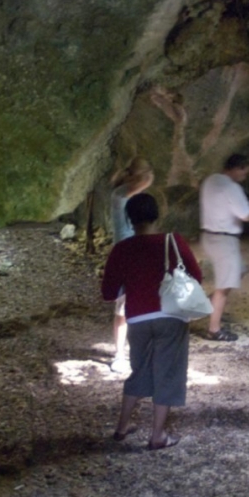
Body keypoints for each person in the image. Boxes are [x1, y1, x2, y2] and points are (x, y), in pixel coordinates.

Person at [101, 193, 202, 450]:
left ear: (129, 219)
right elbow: (197, 276)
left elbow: (108, 293)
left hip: (138, 318)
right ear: (157, 215)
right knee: (167, 373)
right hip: (171, 316)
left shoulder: (122, 249)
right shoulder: (173, 242)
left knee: (140, 371)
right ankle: (157, 435)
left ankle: (121, 428)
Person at [199, 153, 249, 341]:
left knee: (240, 269)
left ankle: (213, 305)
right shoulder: (232, 187)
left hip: (208, 237)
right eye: (244, 172)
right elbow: (247, 215)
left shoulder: (210, 180)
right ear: (238, 168)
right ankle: (214, 330)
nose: (244, 176)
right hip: (225, 241)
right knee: (223, 287)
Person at [108, 157, 154, 373]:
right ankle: (120, 355)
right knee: (124, 310)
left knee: (133, 307)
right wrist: (148, 177)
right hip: (127, 258)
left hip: (134, 256)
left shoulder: (126, 195)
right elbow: (145, 183)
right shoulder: (121, 196)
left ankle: (132, 352)